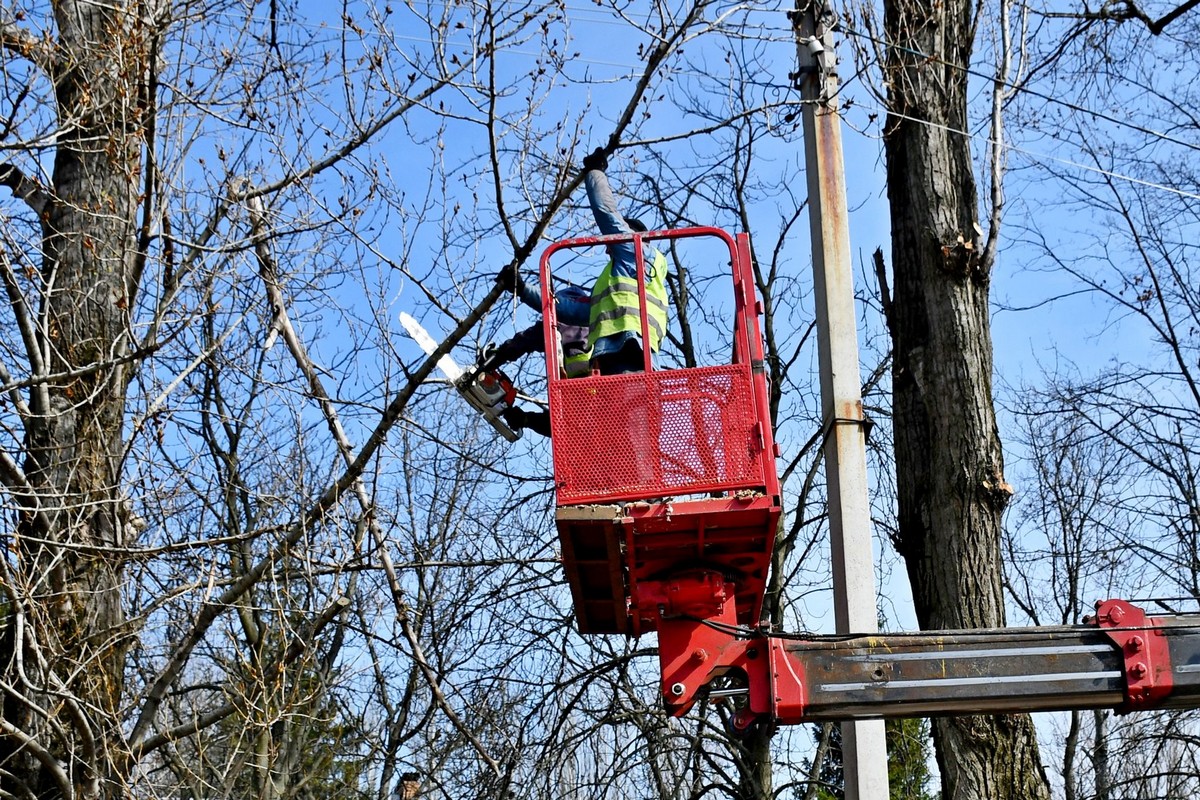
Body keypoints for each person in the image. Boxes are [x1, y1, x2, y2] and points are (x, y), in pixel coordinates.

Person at [577, 147, 669, 375]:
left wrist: (595, 172)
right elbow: (577, 311)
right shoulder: (621, 275)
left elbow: (606, 212)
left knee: (631, 406)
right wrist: (521, 287)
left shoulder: (633, 252)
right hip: (620, 352)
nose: (607, 246)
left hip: (628, 349)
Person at [479, 263, 591, 437]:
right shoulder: (601, 320)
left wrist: (497, 356)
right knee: (577, 428)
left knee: (572, 426)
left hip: (580, 387)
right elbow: (561, 427)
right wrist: (527, 419)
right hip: (603, 390)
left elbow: (526, 339)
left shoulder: (558, 322)